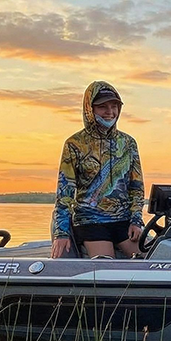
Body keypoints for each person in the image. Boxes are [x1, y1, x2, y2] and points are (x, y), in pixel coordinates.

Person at [51, 81, 145, 259]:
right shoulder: (74, 144)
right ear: (90, 109)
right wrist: (61, 233)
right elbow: (65, 192)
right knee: (106, 266)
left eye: (114, 106)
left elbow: (136, 188)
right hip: (90, 221)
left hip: (124, 222)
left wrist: (136, 221)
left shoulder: (128, 143)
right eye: (103, 107)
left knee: (151, 262)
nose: (110, 112)